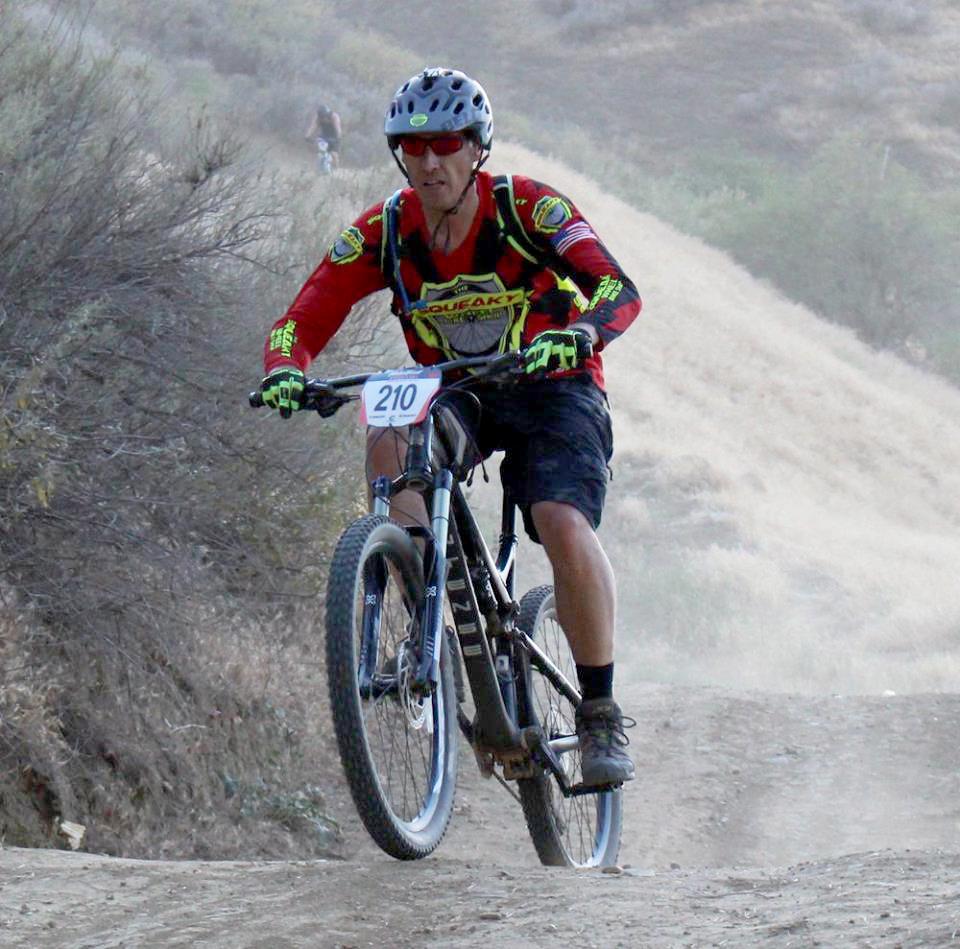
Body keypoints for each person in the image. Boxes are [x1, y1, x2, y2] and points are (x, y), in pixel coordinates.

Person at [262, 67, 641, 786]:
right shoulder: (385, 231)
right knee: (385, 426)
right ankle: (418, 606)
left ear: (476, 148)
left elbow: (619, 288)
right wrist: (286, 366)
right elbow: (300, 319)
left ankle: (598, 713)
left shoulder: (527, 209)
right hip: (460, 389)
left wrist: (584, 333)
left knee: (559, 518)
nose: (428, 161)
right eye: (412, 147)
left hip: (553, 384)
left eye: (444, 144)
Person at [304, 103, 342, 168]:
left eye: (325, 116)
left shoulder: (334, 116)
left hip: (334, 136)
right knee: (322, 152)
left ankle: (336, 169)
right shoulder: (318, 118)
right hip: (324, 136)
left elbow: (338, 128)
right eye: (322, 117)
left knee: (334, 154)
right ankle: (321, 167)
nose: (324, 118)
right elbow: (313, 126)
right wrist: (307, 136)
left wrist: (338, 138)